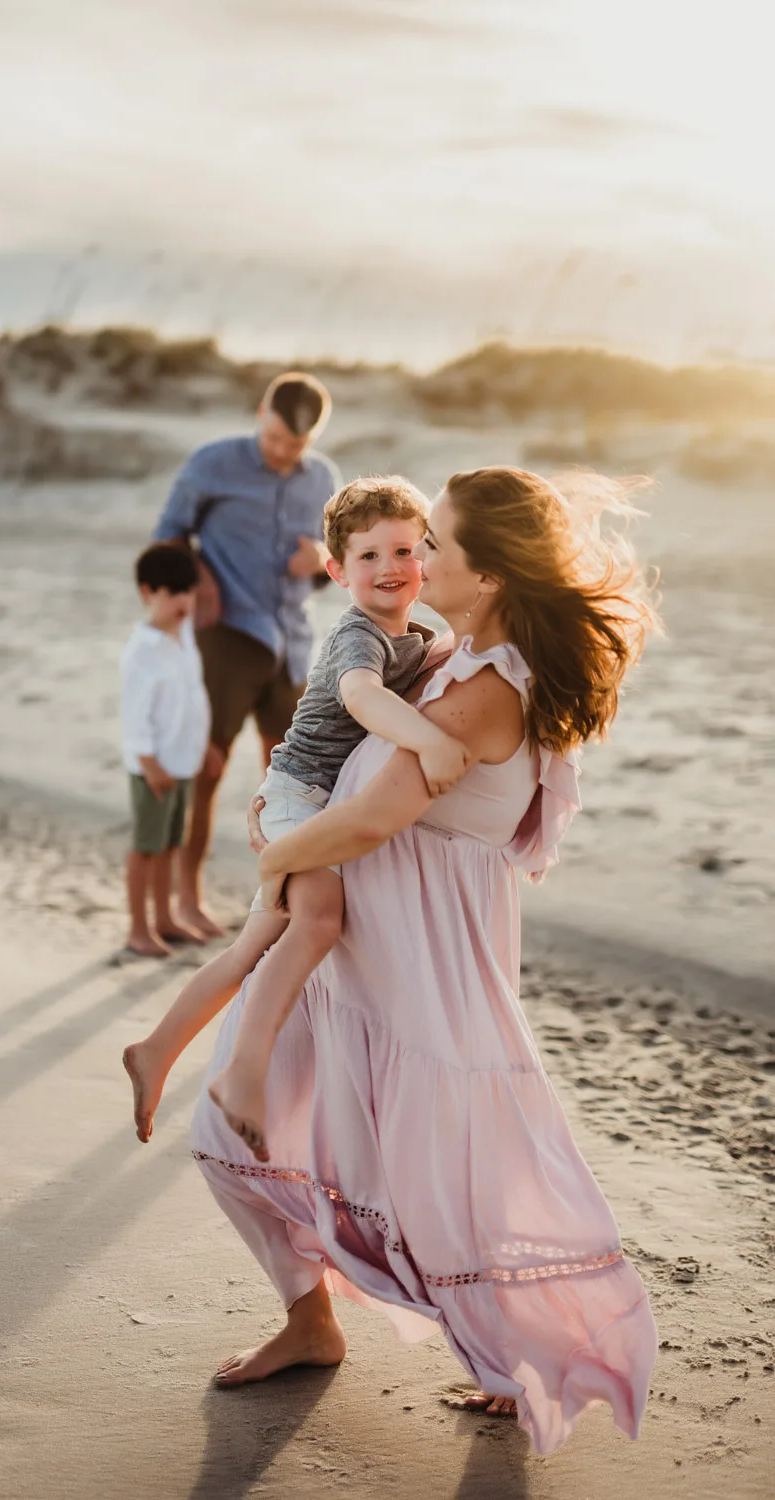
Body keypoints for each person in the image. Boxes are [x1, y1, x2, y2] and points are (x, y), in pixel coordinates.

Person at [189, 467, 661, 1455]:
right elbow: (344, 742)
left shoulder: (488, 688)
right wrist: (285, 811)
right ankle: (311, 1323)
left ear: (485, 577)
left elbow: (375, 814)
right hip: (354, 940)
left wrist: (274, 855)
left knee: (440, 1173)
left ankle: (518, 1352)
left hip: (412, 961)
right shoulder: (456, 652)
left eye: (437, 545)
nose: (421, 559)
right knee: (240, 1130)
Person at [123, 478, 470, 1146]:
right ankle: (243, 1073)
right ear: (336, 572)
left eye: (402, 550)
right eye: (367, 557)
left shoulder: (417, 634)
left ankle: (155, 1049)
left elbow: (437, 662)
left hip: (317, 802)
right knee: (318, 919)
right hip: (294, 797)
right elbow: (365, 697)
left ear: (425, 557)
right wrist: (427, 738)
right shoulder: (357, 637)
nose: (389, 568)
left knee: (253, 947)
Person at [153, 371, 341, 938]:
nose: (284, 451)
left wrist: (320, 563)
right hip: (227, 637)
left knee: (292, 785)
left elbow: (334, 564)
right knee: (203, 774)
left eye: (297, 444)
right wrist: (201, 575)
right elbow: (167, 538)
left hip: (292, 646)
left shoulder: (324, 479)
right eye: (277, 437)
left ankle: (281, 906)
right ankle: (186, 898)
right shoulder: (214, 463)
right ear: (262, 413)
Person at [119, 543, 217, 957]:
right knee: (147, 847)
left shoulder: (184, 636)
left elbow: (193, 696)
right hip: (154, 767)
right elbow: (134, 716)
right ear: (147, 593)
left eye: (187, 591)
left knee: (172, 844)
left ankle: (164, 918)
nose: (182, 601)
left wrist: (206, 744)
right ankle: (138, 929)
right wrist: (149, 762)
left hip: (183, 761)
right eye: (171, 592)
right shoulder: (143, 650)